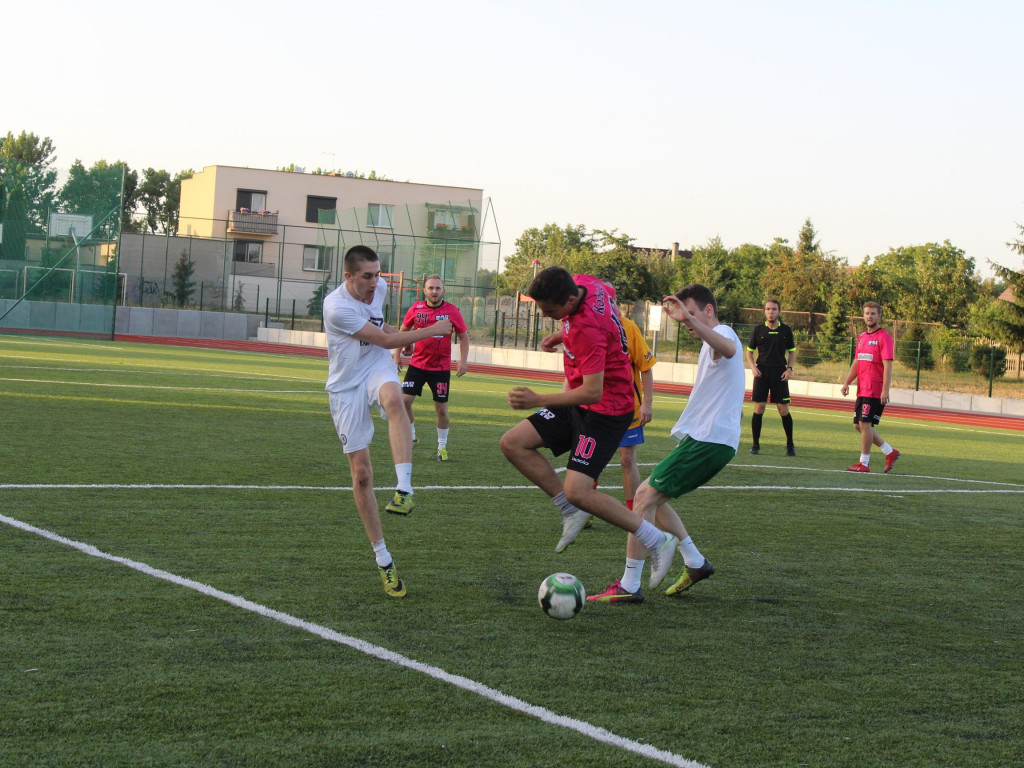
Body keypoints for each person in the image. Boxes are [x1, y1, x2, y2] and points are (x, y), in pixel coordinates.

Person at [499, 266, 679, 588]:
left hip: (606, 411)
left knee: (578, 489)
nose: (548, 316)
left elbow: (593, 390)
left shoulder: (587, 330)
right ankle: (570, 510)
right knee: (513, 443)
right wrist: (560, 334)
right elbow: (604, 318)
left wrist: (538, 398)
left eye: (552, 311)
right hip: (580, 402)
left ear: (569, 299)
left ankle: (657, 539)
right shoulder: (588, 284)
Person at [593, 283, 746, 601]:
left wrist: (690, 321)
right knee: (652, 496)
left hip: (711, 441)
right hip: (704, 440)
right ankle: (695, 562)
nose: (686, 322)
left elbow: (728, 349)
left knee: (643, 498)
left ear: (708, 310)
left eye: (691, 313)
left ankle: (629, 586)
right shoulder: (710, 342)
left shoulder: (725, 333)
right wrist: (692, 321)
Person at [323, 245, 453, 598]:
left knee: (395, 399)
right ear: (348, 276)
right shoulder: (337, 307)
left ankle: (405, 490)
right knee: (362, 475)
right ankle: (383, 560)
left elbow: (382, 329)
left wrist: (402, 344)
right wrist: (431, 331)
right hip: (346, 384)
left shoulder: (378, 289)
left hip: (377, 365)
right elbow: (382, 337)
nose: (375, 282)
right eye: (367, 276)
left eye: (378, 274)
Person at [393, 274, 469, 462]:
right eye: (431, 288)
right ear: (424, 290)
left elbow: (463, 336)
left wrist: (463, 360)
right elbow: (402, 332)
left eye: (437, 288)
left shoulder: (452, 311)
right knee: (404, 401)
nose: (434, 291)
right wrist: (396, 356)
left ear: (443, 290)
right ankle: (411, 437)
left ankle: (442, 447)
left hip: (440, 368)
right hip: (417, 365)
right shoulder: (416, 309)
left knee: (441, 409)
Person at [840, 301, 901, 473]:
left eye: (873, 313)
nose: (869, 316)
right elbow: (857, 362)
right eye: (867, 313)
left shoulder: (884, 338)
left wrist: (885, 390)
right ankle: (890, 452)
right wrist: (847, 382)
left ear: (879, 316)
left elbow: (888, 365)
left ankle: (864, 463)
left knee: (865, 424)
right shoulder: (861, 338)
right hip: (862, 388)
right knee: (858, 425)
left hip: (875, 389)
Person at [745, 298, 797, 456]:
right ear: (764, 311)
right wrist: (753, 367)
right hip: (761, 373)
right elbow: (749, 351)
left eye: (774, 309)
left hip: (779, 373)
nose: (771, 312)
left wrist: (789, 369)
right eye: (768, 309)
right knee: (759, 408)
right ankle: (755, 445)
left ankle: (790, 445)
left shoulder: (786, 330)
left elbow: (792, 351)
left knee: (783, 409)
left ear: (779, 312)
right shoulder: (758, 330)